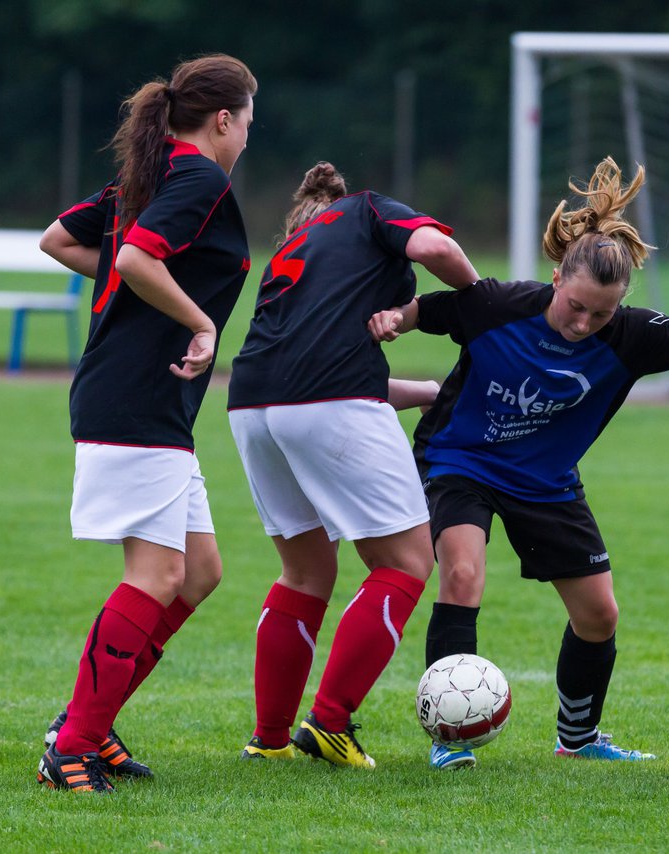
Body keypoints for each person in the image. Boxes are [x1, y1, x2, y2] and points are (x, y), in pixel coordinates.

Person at [368, 156, 669, 770]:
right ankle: (449, 738)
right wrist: (393, 320)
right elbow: (422, 312)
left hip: (545, 481)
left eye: (601, 313)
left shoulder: (632, 336)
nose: (585, 323)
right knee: (462, 574)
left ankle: (579, 738)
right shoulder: (495, 304)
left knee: (598, 614)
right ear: (559, 276)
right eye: (576, 306)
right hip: (460, 461)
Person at [35, 54, 258, 793]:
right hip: (136, 398)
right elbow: (133, 258)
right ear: (225, 119)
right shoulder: (197, 175)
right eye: (249, 120)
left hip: (144, 400)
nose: (249, 136)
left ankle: (86, 729)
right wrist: (198, 324)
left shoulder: (152, 174)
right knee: (158, 574)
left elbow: (62, 240)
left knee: (198, 574)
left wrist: (137, 296)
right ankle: (71, 746)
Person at [226, 161, 479, 767]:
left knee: (305, 571)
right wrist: (476, 299)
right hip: (322, 401)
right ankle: (330, 724)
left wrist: (426, 390)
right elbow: (436, 246)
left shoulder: (292, 252)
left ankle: (270, 740)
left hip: (251, 404)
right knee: (407, 562)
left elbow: (322, 377)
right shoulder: (367, 209)